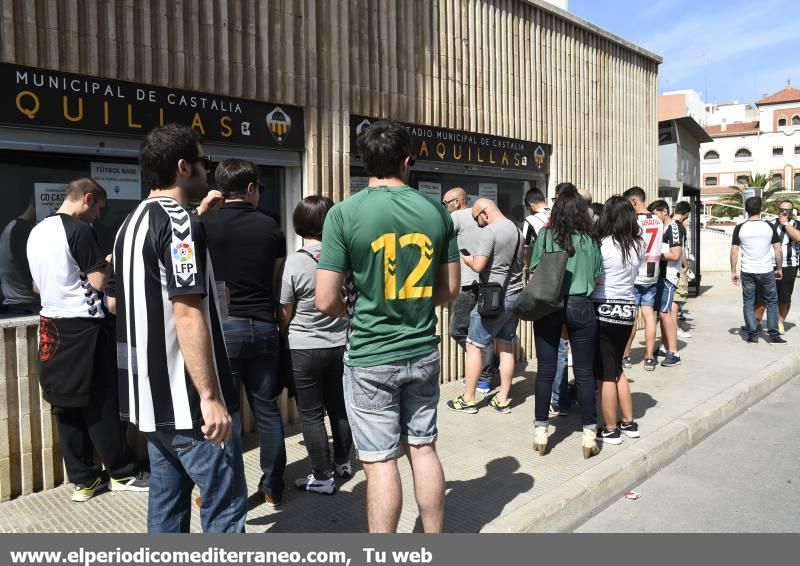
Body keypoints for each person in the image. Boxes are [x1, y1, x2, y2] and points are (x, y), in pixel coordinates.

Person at [316, 121, 460, 533]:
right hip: (422, 349)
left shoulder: (343, 214)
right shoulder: (436, 212)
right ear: (407, 161)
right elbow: (449, 288)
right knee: (423, 447)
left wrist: (362, 309)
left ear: (364, 164)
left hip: (371, 355)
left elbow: (325, 299)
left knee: (379, 462)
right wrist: (412, 302)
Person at [114, 124, 246, 532]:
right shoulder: (179, 225)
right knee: (224, 508)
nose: (209, 170)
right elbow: (187, 312)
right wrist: (209, 396)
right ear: (183, 167)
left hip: (149, 402)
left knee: (167, 510)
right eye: (204, 163)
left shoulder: (129, 225)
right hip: (189, 404)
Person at [26, 178, 148, 503]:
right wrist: (110, 260)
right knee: (102, 403)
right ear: (88, 198)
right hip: (85, 329)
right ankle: (121, 473)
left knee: (65, 404)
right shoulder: (78, 230)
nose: (97, 216)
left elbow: (38, 287)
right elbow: (96, 283)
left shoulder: (36, 232)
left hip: (50, 325)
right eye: (98, 209)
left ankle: (84, 481)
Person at [202, 159, 288, 508]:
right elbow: (276, 281)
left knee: (227, 413)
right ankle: (272, 486)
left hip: (224, 330)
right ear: (251, 188)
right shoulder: (270, 227)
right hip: (264, 325)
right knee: (267, 410)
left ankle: (227, 491)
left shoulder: (204, 225)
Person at [279, 195, 353, 496]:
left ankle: (322, 476)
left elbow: (285, 310)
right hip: (340, 345)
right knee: (340, 407)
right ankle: (344, 462)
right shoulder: (344, 259)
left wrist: (284, 331)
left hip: (304, 347)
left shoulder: (295, 261)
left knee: (311, 413)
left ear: (300, 224)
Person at [530, 183, 602, 459]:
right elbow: (596, 277)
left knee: (546, 369)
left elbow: (535, 270)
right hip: (581, 305)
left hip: (550, 305)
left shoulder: (546, 235)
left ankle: (540, 432)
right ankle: (588, 436)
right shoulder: (591, 239)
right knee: (584, 372)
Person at [447, 198, 523, 415]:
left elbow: (479, 265)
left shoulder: (490, 232)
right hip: (515, 294)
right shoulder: (516, 230)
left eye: (477, 219)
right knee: (506, 346)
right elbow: (522, 262)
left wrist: (468, 260)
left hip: (493, 298)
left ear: (485, 212)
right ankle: (503, 399)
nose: (479, 224)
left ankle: (468, 399)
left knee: (473, 346)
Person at [593, 196, 644, 444]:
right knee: (617, 369)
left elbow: (594, 279)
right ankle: (629, 422)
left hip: (602, 308)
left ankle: (610, 428)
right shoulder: (637, 244)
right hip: (627, 311)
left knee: (605, 374)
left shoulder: (601, 244)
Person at [443, 187, 498, 394]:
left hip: (466, 283)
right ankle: (488, 364)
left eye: (445, 203)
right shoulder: (485, 217)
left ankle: (484, 371)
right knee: (481, 329)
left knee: (457, 330)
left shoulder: (457, 216)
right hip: (485, 282)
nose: (444, 207)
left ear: (457, 202)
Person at [731, 197, 786, 344]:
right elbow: (778, 249)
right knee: (771, 302)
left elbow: (734, 251)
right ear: (760, 209)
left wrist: (733, 272)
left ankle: (753, 335)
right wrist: (779, 268)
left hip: (747, 271)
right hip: (766, 270)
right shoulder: (768, 226)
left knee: (748, 302)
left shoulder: (740, 227)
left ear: (746, 209)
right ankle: (773, 335)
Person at [622, 187, 664, 371]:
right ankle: (648, 357)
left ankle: (626, 355)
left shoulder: (633, 222)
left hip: (635, 274)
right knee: (649, 316)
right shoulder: (657, 220)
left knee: (631, 317)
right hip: (652, 273)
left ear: (634, 201)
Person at [648, 200, 683, 367]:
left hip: (668, 276)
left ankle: (673, 352)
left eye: (655, 213)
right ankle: (664, 346)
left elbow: (676, 254)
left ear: (664, 211)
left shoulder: (674, 227)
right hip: (658, 276)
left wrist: (653, 255)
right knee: (660, 314)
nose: (653, 217)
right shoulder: (660, 228)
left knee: (665, 313)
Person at [0, 203, 38, 314]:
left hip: (18, 301)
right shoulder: (21, 231)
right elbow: (30, 272)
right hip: (26, 304)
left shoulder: (14, 227)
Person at [770, 200, 800, 334]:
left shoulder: (796, 224)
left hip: (789, 265)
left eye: (788, 210)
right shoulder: (769, 224)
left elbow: (798, 237)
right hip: (768, 265)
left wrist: (786, 224)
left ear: (791, 212)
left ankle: (780, 322)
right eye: (782, 209)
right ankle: (756, 322)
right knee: (763, 296)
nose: (784, 212)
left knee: (784, 297)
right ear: (778, 209)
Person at [672, 201, 692, 339]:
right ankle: (675, 328)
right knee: (676, 300)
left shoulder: (665, 224)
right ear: (686, 214)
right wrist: (685, 265)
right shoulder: (679, 227)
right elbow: (681, 250)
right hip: (676, 268)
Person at [521, 188, 551, 275]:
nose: (528, 210)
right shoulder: (558, 213)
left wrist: (526, 266)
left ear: (531, 204)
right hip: (561, 261)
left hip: (542, 264)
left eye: (527, 208)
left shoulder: (530, 219)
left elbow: (525, 248)